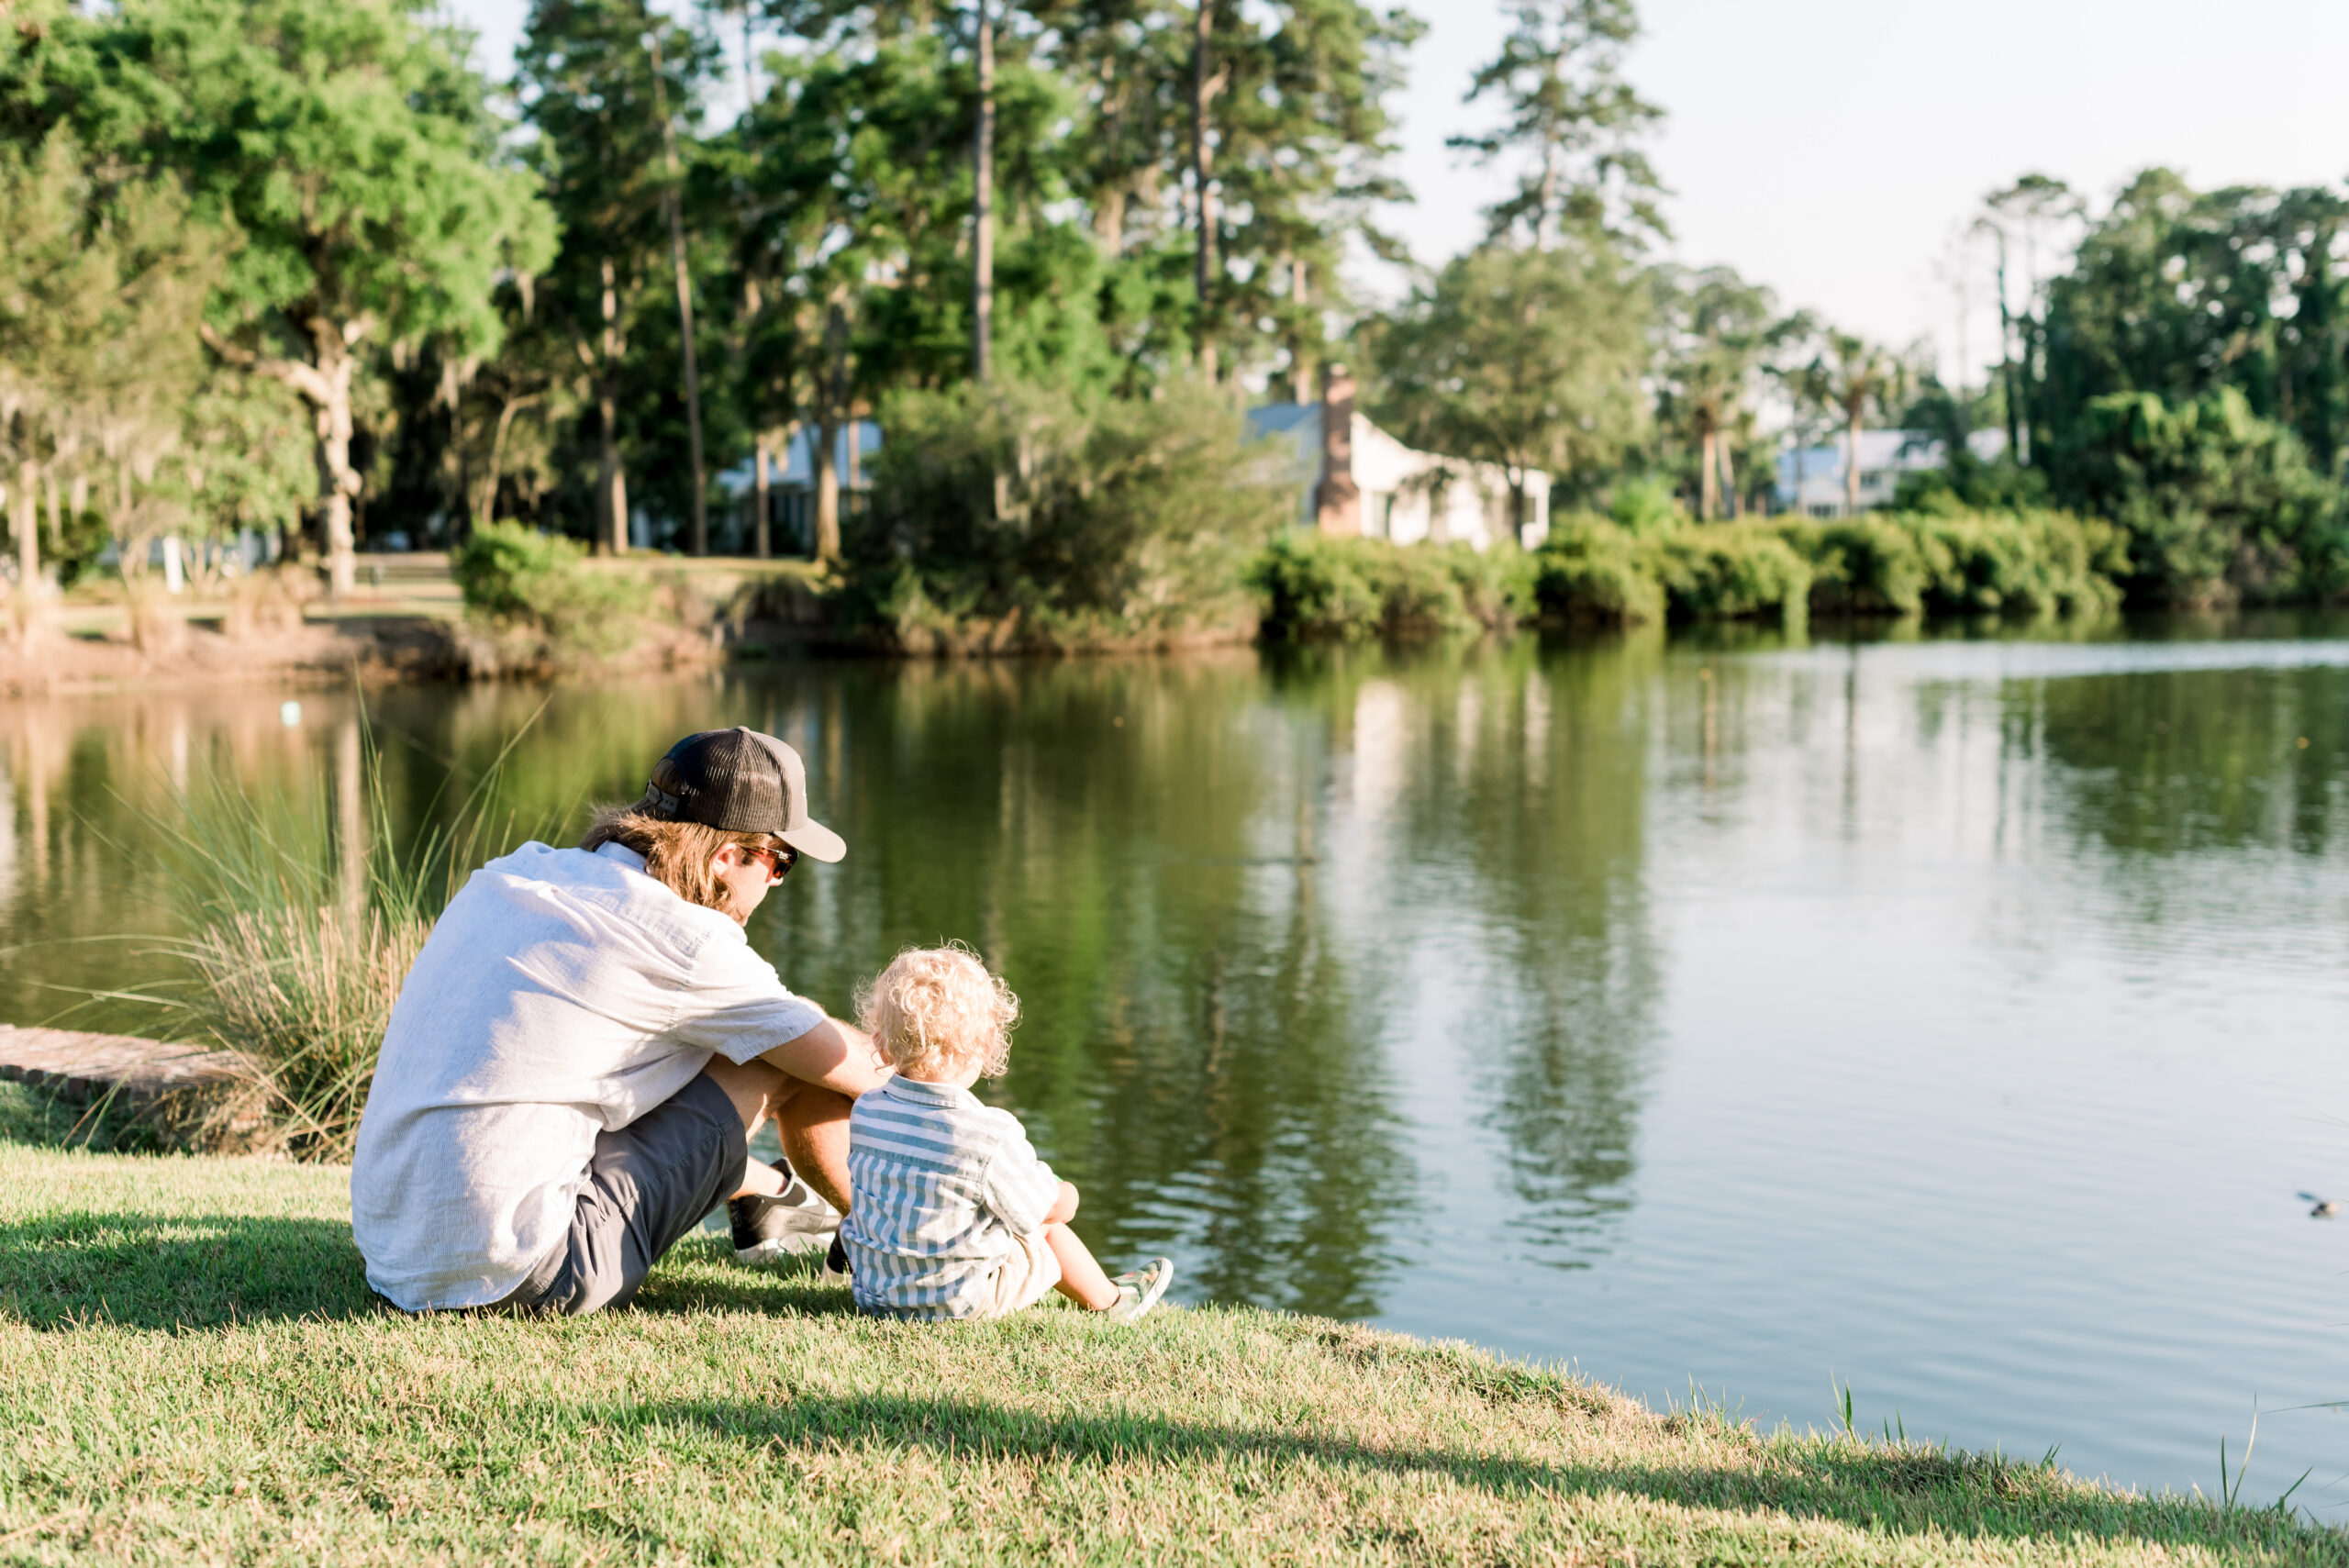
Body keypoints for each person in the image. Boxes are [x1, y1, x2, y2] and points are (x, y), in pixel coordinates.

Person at [351, 726, 881, 1315]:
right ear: (730, 858)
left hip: (391, 1251)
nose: (776, 882)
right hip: (528, 1271)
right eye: (781, 863)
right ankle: (881, 1244)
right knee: (789, 1048)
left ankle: (766, 1196)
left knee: (704, 1043)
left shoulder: (515, 872)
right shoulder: (689, 943)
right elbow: (856, 1070)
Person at [839, 943, 1174, 1323]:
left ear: (881, 1036)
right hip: (956, 1304)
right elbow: (1049, 1209)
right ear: (983, 1042)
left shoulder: (867, 1110)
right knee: (1044, 1226)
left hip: (873, 1294)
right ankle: (1112, 1301)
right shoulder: (987, 1133)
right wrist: (1067, 1192)